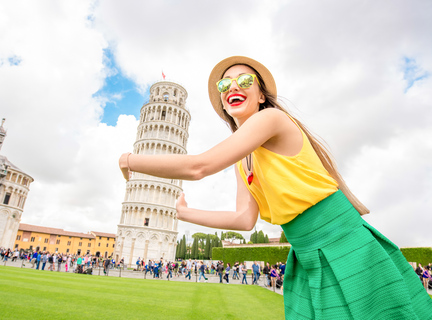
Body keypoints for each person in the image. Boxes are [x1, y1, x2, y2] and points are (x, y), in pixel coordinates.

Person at [119, 56, 432, 319]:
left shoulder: (272, 119)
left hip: (342, 243)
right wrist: (185, 214)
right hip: (306, 255)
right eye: (224, 86)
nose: (233, 88)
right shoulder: (245, 161)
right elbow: (243, 219)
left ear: (260, 96)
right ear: (224, 106)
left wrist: (130, 159)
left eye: (245, 81)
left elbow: (198, 167)